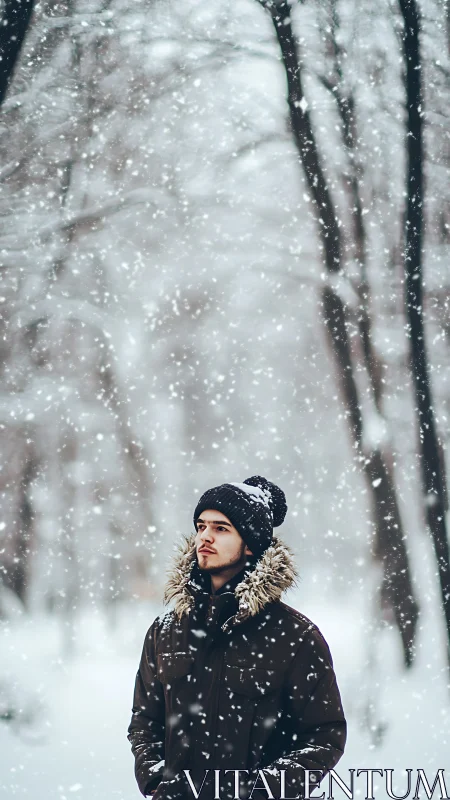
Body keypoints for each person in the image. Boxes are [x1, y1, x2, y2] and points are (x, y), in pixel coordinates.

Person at [127, 476, 347, 800]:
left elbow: (324, 735)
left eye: (221, 528)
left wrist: (262, 791)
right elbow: (144, 721)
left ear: (251, 544)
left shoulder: (296, 637)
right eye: (201, 526)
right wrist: (156, 781)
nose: (205, 537)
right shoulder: (166, 631)